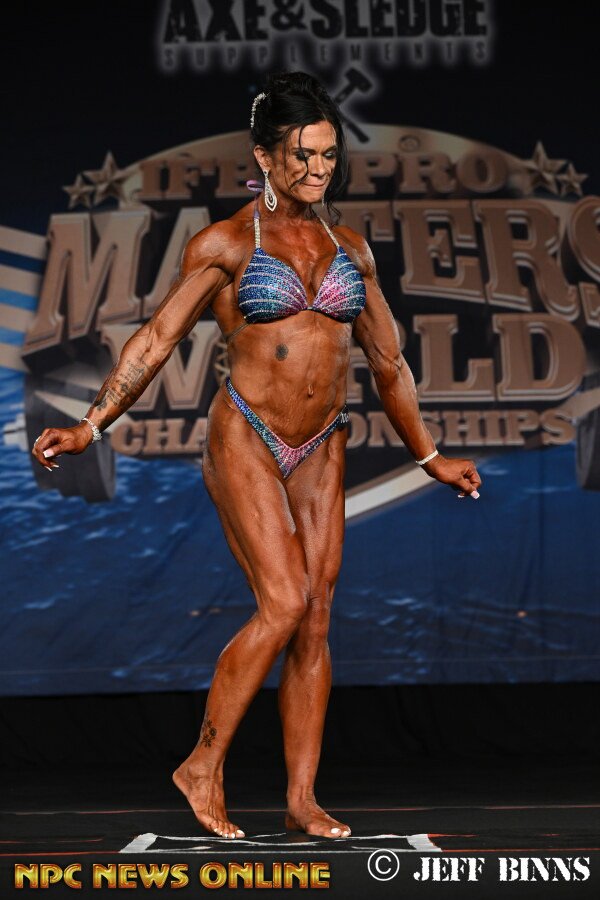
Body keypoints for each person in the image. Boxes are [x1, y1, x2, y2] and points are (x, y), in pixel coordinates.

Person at [32, 71, 481, 841]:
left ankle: (302, 799)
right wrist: (91, 426)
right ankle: (202, 763)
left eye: (328, 155)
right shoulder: (228, 243)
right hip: (246, 433)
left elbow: (389, 363)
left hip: (322, 442)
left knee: (316, 620)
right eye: (302, 155)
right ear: (266, 158)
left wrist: (430, 456)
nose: (317, 169)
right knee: (285, 602)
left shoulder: (351, 252)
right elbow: (156, 340)